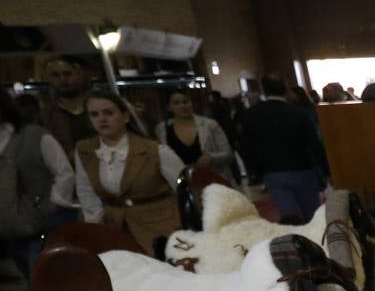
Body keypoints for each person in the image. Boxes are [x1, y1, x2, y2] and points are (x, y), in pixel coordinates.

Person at [73, 91, 185, 253]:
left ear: (125, 116)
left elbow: (184, 190)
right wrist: (96, 225)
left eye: (108, 113)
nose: (102, 119)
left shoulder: (155, 151)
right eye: (94, 114)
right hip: (114, 228)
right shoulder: (85, 150)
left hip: (160, 226)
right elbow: (86, 191)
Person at [0, 90, 79, 272]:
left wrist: (51, 205)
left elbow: (64, 172)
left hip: (43, 223)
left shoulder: (35, 135)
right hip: (6, 228)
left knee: (46, 274)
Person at [238, 75, 329, 221]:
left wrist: (256, 171)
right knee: (313, 215)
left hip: (272, 172)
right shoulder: (299, 113)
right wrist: (325, 172)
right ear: (286, 90)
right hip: (303, 169)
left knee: (289, 217)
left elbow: (245, 147)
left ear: (263, 90)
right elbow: (314, 144)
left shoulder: (252, 114)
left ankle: (296, 241)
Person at [154, 90, 236, 182]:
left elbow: (228, 154)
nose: (183, 106)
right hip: (181, 182)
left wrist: (212, 158)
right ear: (169, 107)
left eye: (186, 102)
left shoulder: (209, 125)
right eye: (176, 103)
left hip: (213, 179)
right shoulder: (162, 129)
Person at [40, 56, 96, 157]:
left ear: (79, 74)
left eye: (68, 74)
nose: (62, 79)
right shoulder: (46, 116)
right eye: (55, 75)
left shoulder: (100, 107)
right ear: (48, 78)